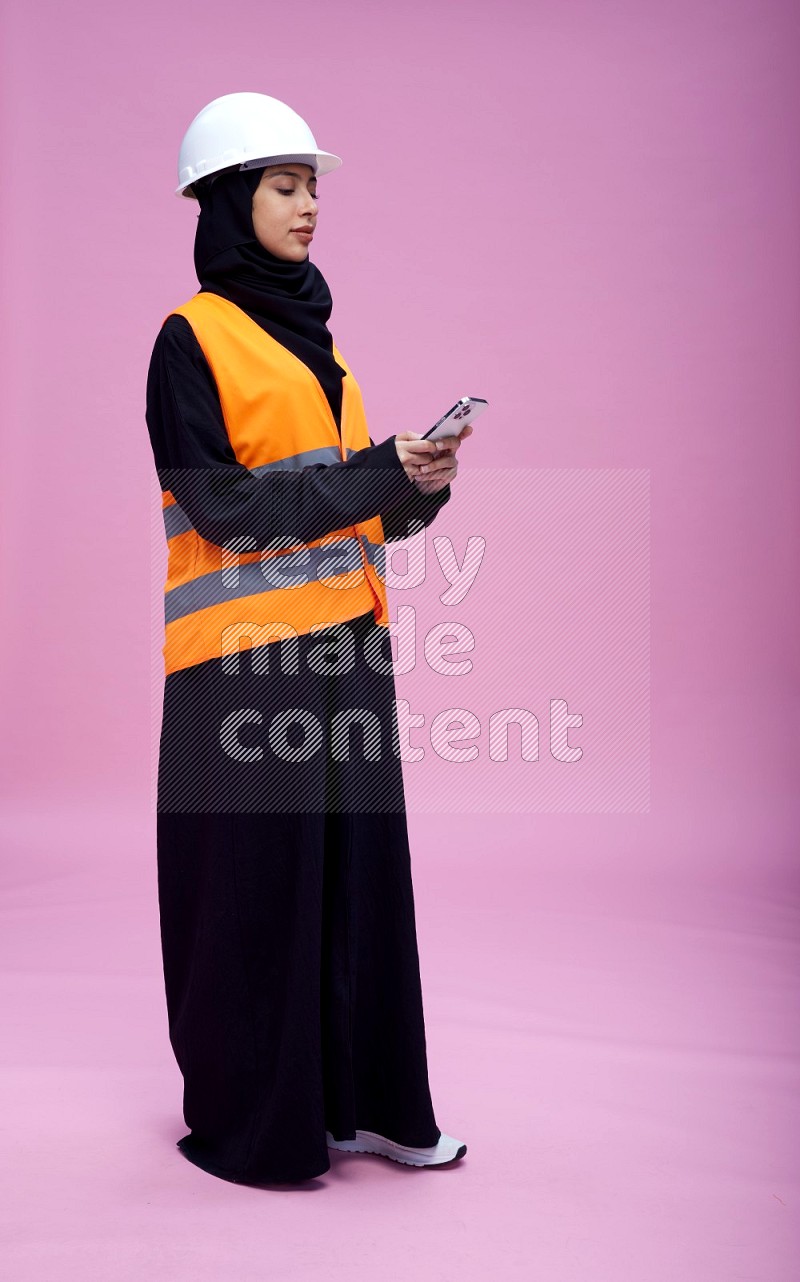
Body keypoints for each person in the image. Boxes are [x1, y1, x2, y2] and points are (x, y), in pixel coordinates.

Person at [145, 92, 471, 1185]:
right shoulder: (190, 339)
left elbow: (344, 507)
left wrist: (414, 483)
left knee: (356, 885)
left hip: (345, 649)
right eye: (283, 186)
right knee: (256, 895)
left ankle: (367, 1107)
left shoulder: (317, 346)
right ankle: (261, 1125)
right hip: (241, 664)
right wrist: (371, 476)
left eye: (312, 186)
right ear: (230, 201)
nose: (308, 205)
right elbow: (222, 507)